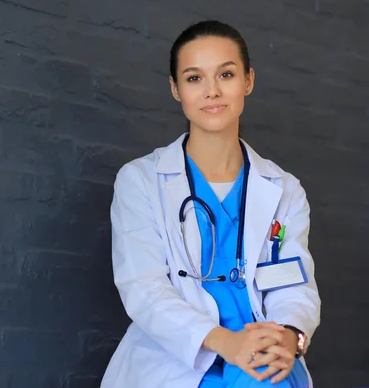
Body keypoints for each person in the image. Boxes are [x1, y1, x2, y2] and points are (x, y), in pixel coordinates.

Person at [100, 20, 321, 388]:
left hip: (263, 356)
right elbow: (144, 290)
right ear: (175, 89)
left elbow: (292, 284)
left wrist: (288, 336)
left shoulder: (284, 189)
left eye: (227, 74)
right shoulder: (140, 180)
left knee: (265, 378)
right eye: (194, 78)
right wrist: (227, 343)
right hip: (178, 359)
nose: (212, 91)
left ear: (248, 81)